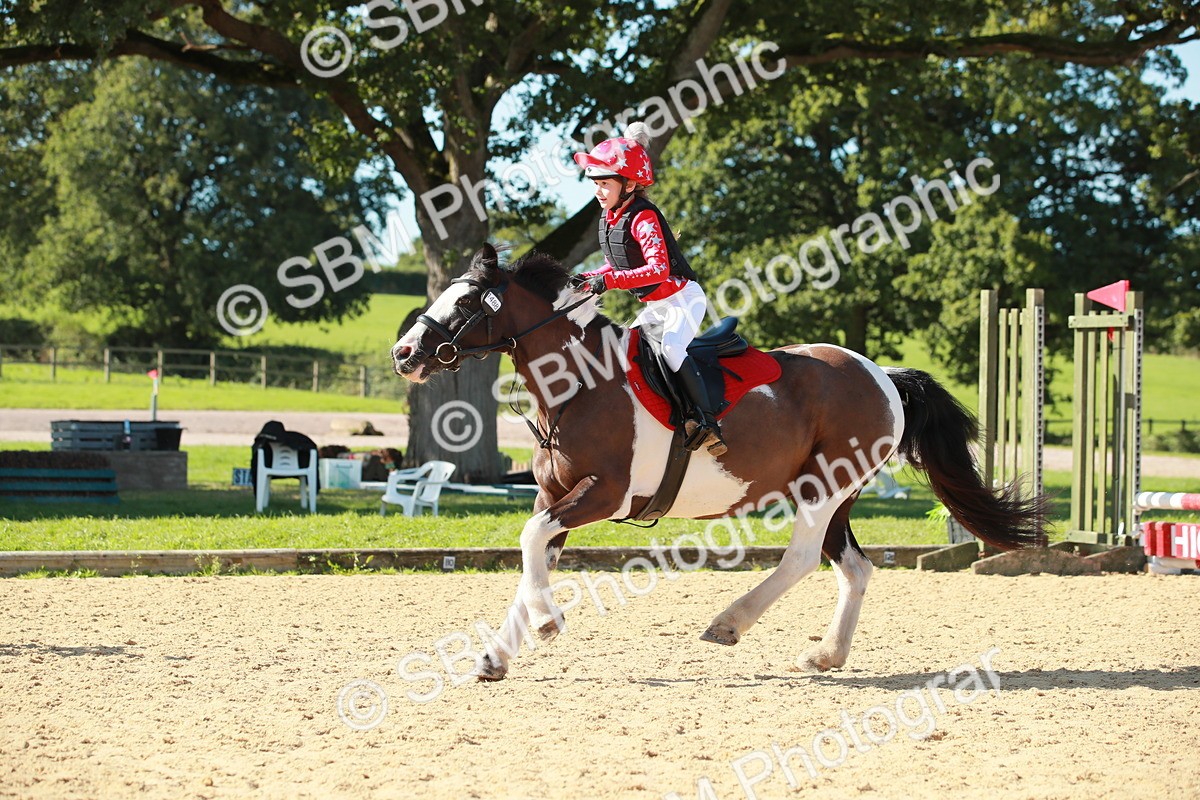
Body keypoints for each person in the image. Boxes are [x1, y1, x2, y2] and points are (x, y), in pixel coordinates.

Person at [573, 123, 726, 456]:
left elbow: (658, 269)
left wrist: (608, 282)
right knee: (626, 354)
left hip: (682, 299)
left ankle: (706, 422)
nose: (599, 192)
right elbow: (616, 264)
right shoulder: (611, 216)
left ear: (628, 183)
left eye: (605, 184)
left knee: (670, 350)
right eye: (596, 184)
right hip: (656, 305)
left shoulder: (643, 218)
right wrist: (587, 277)